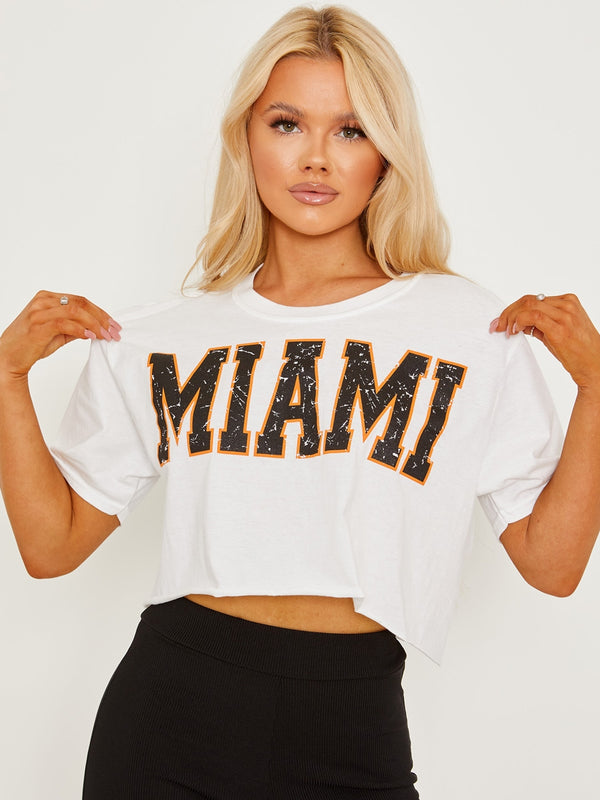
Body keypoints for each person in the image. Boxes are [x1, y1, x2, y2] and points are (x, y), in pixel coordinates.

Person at [1, 5, 599, 798]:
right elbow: (51, 547)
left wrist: (597, 389)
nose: (316, 157)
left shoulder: (470, 329)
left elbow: (553, 565)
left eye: (351, 130)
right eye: (287, 123)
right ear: (247, 138)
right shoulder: (162, 336)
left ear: (386, 154)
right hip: (171, 713)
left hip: (352, 722)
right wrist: (7, 380)